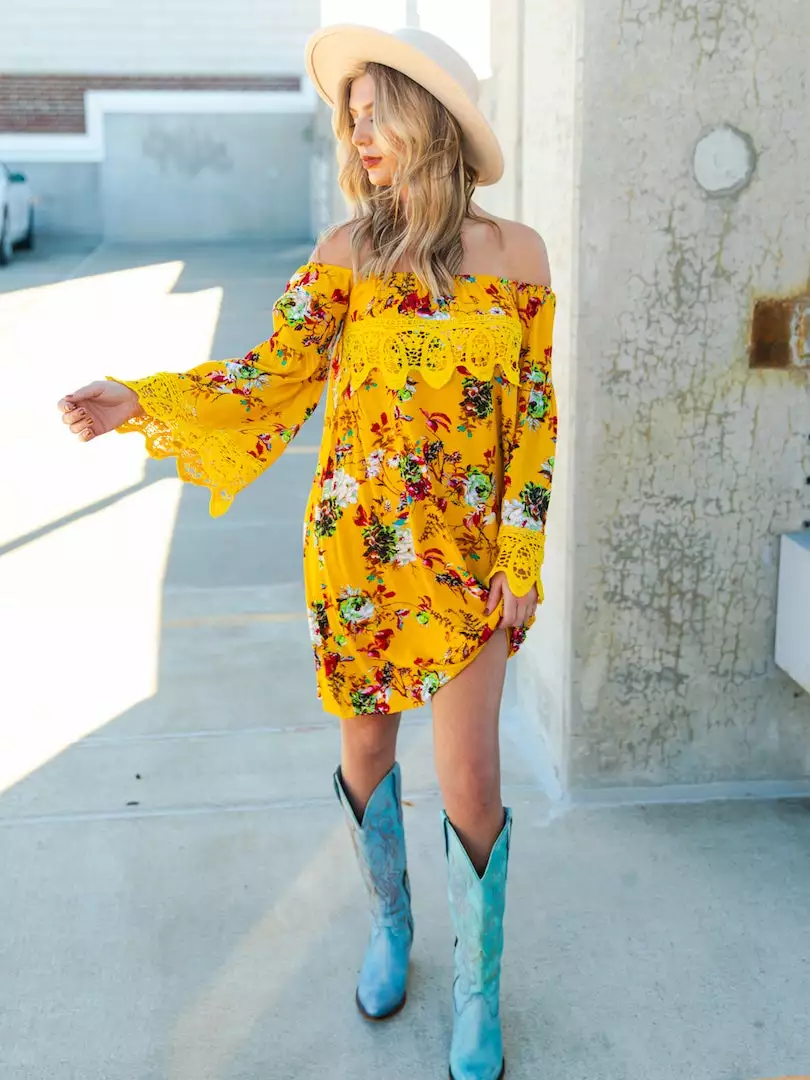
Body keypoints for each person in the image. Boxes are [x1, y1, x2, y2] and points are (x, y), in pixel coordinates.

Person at [57, 24, 556, 1080]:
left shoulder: (518, 255)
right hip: (357, 558)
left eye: (378, 115)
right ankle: (390, 926)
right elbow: (265, 377)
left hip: (467, 563)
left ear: (430, 119)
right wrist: (141, 398)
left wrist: (522, 554)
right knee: (367, 755)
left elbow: (535, 419)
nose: (360, 136)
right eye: (351, 119)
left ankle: (479, 988)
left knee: (470, 777)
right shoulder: (346, 255)